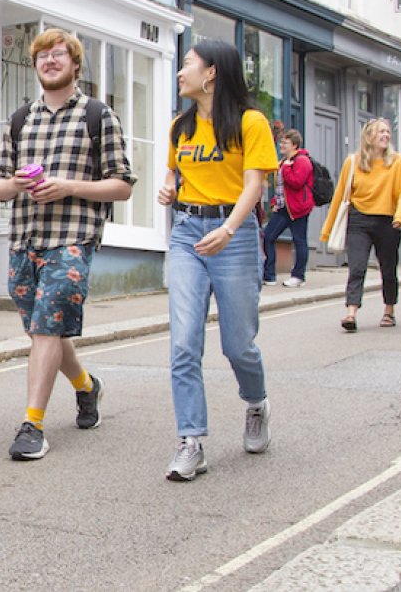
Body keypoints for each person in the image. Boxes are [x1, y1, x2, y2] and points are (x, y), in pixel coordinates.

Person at [0, 28, 133, 461]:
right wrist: (16, 183)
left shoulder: (97, 115)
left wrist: (66, 186)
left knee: (48, 327)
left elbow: (123, 185)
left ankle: (32, 424)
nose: (50, 62)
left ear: (74, 64)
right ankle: (87, 387)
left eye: (58, 55)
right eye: (42, 57)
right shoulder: (20, 119)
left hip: (72, 238)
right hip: (24, 239)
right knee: (41, 330)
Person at [156, 39, 276, 482]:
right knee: (183, 343)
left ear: (211, 74)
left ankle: (257, 402)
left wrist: (228, 229)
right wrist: (169, 186)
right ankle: (191, 441)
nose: (180, 72)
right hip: (187, 231)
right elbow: (173, 170)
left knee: (237, 343)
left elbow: (254, 185)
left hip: (235, 235)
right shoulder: (180, 127)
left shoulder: (250, 123)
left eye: (187, 64)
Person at [320, 118, 401, 332]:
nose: (386, 136)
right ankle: (351, 312)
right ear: (368, 137)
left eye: (388, 132)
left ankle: (389, 309)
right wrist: (328, 229)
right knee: (357, 267)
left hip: (388, 221)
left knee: (388, 268)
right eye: (381, 132)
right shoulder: (353, 162)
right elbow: (341, 196)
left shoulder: (398, 162)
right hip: (359, 219)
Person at [261, 129, 314, 288]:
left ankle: (298, 276)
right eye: (281, 142)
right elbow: (280, 187)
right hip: (283, 208)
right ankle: (269, 275)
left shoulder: (302, 161)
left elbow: (297, 182)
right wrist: (274, 202)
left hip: (298, 209)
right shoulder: (284, 162)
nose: (281, 145)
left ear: (295, 145)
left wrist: (286, 170)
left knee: (299, 241)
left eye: (285, 142)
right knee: (269, 236)